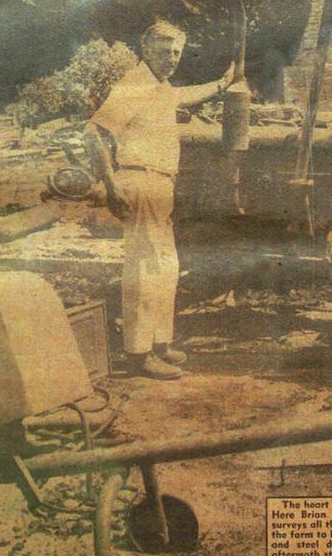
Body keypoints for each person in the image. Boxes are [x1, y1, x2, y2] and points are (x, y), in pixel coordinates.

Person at [84, 20, 234, 380]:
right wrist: (110, 184)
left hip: (160, 184)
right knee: (146, 270)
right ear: (145, 48)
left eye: (177, 52)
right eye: (164, 51)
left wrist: (222, 83)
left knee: (165, 267)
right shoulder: (135, 84)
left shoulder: (158, 86)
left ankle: (159, 344)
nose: (172, 58)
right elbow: (94, 133)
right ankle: (138, 353)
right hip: (139, 179)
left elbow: (186, 95)